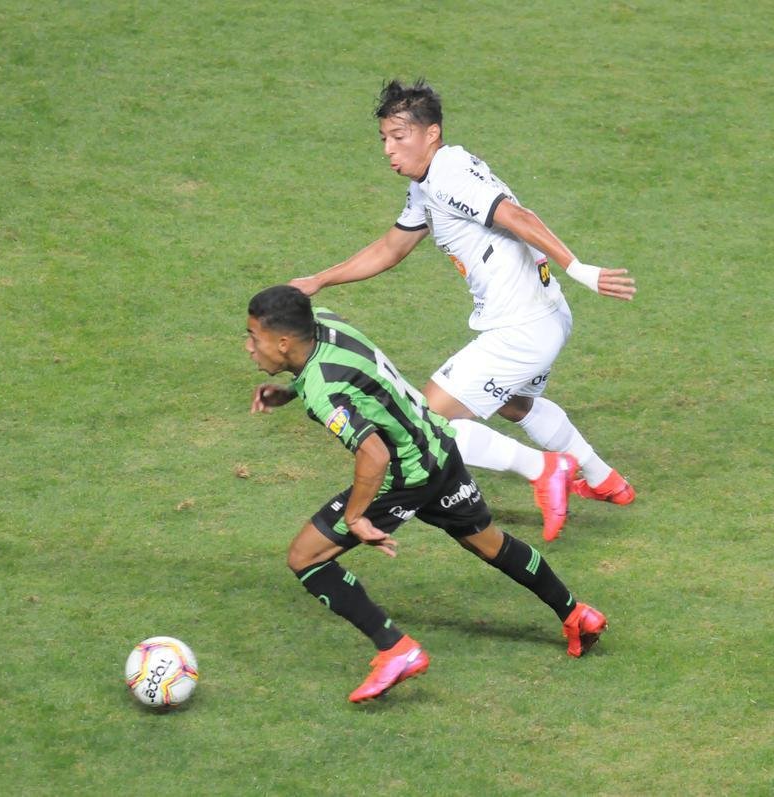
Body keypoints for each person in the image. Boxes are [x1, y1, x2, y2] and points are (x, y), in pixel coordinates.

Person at [290, 78, 637, 543]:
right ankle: (603, 479)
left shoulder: (449, 174)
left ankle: (546, 470)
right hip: (545, 316)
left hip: (521, 328)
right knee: (514, 403)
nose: (389, 150)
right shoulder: (429, 182)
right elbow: (393, 247)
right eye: (384, 140)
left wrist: (579, 268)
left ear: (431, 134)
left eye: (399, 137)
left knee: (426, 423)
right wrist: (320, 280)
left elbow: (519, 216)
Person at [244, 285, 607, 703]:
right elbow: (352, 376)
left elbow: (374, 455)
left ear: (283, 342)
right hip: (438, 445)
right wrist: (290, 391)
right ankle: (577, 614)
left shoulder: (326, 393)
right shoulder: (324, 321)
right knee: (490, 543)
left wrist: (359, 517)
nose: (249, 347)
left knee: (305, 557)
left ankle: (396, 650)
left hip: (406, 474)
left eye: (254, 337)